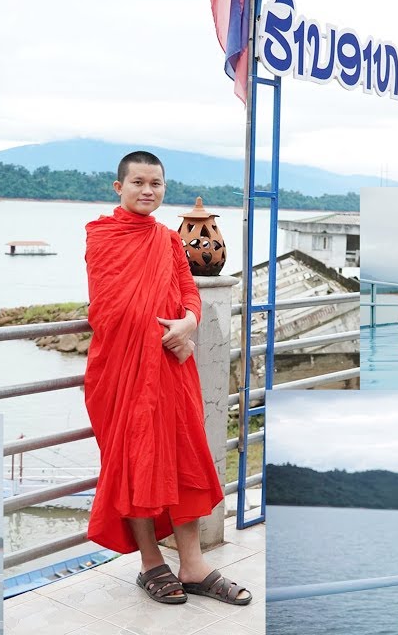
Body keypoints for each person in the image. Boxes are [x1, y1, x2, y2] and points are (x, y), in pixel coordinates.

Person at [82, 150, 250, 606]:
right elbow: (107, 308)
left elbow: (187, 290)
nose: (147, 190)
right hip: (122, 372)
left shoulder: (169, 240)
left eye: (155, 183)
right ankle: (151, 562)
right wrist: (160, 334)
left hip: (172, 369)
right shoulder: (102, 236)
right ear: (119, 188)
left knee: (183, 458)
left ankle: (193, 564)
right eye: (138, 182)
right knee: (134, 461)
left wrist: (189, 325)